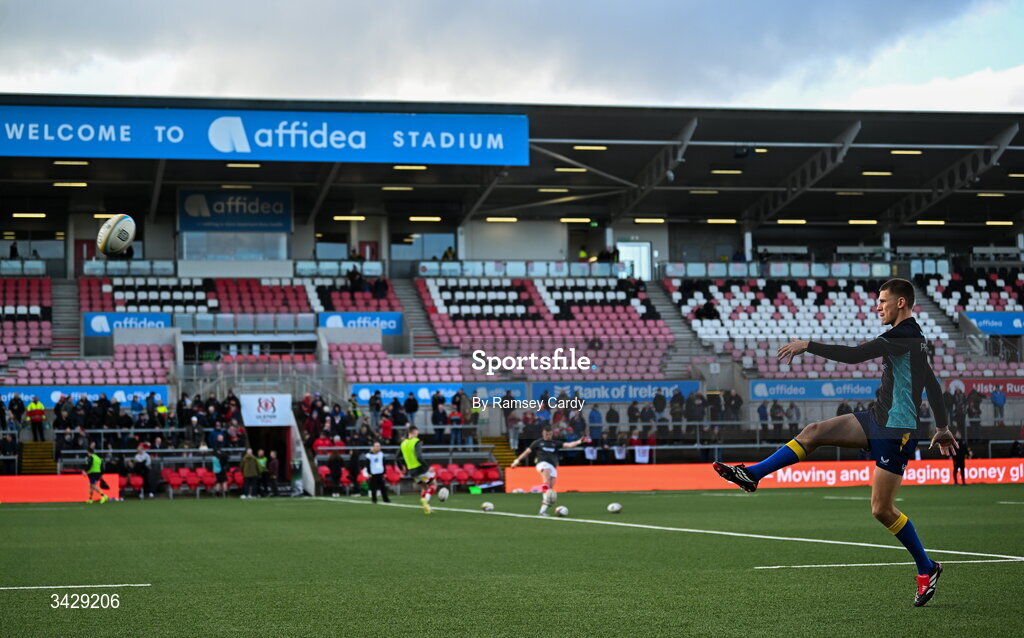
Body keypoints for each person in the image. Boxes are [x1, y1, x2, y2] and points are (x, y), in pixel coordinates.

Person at [713, 278, 955, 607]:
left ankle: (928, 567)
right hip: (876, 418)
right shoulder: (913, 337)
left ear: (901, 303)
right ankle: (753, 475)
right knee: (814, 432)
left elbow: (855, 356)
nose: (878, 306)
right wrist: (942, 426)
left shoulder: (905, 335)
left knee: (881, 510)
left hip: (893, 432)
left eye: (883, 301)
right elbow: (932, 382)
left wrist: (808, 345)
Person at [509, 424, 586, 516]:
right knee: (546, 474)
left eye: (549, 434)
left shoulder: (555, 443)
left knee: (550, 489)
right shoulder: (538, 443)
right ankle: (543, 488)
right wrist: (516, 461)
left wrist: (579, 441)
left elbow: (568, 445)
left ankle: (542, 511)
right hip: (542, 463)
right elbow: (526, 452)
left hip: (553, 466)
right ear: (543, 433)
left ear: (552, 433)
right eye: (546, 434)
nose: (547, 436)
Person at [398, 426, 436, 514]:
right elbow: (419, 457)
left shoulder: (403, 443)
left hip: (411, 470)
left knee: (423, 487)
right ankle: (425, 500)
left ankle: (427, 508)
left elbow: (398, 458)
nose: (418, 434)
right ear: (413, 432)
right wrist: (427, 467)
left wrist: (403, 467)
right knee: (433, 484)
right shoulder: (416, 441)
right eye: (417, 432)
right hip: (420, 468)